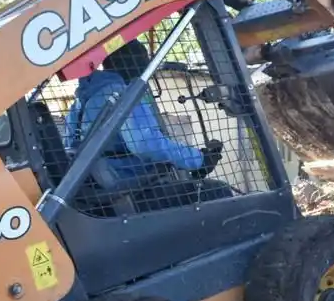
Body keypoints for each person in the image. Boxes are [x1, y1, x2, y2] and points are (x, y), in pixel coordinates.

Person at [63, 38, 229, 208]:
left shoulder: (83, 100)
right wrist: (199, 160)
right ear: (134, 63)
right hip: (127, 188)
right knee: (217, 191)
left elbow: (69, 143)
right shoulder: (124, 93)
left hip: (95, 188)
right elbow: (144, 143)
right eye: (143, 60)